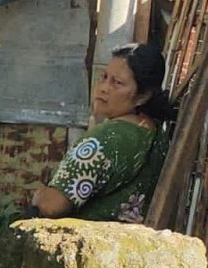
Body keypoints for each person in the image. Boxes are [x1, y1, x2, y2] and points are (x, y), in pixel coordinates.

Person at [33, 42, 177, 223]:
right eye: (104, 77)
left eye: (117, 83)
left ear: (143, 96)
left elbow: (53, 205)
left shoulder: (104, 140)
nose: (103, 87)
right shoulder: (155, 134)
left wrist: (39, 196)